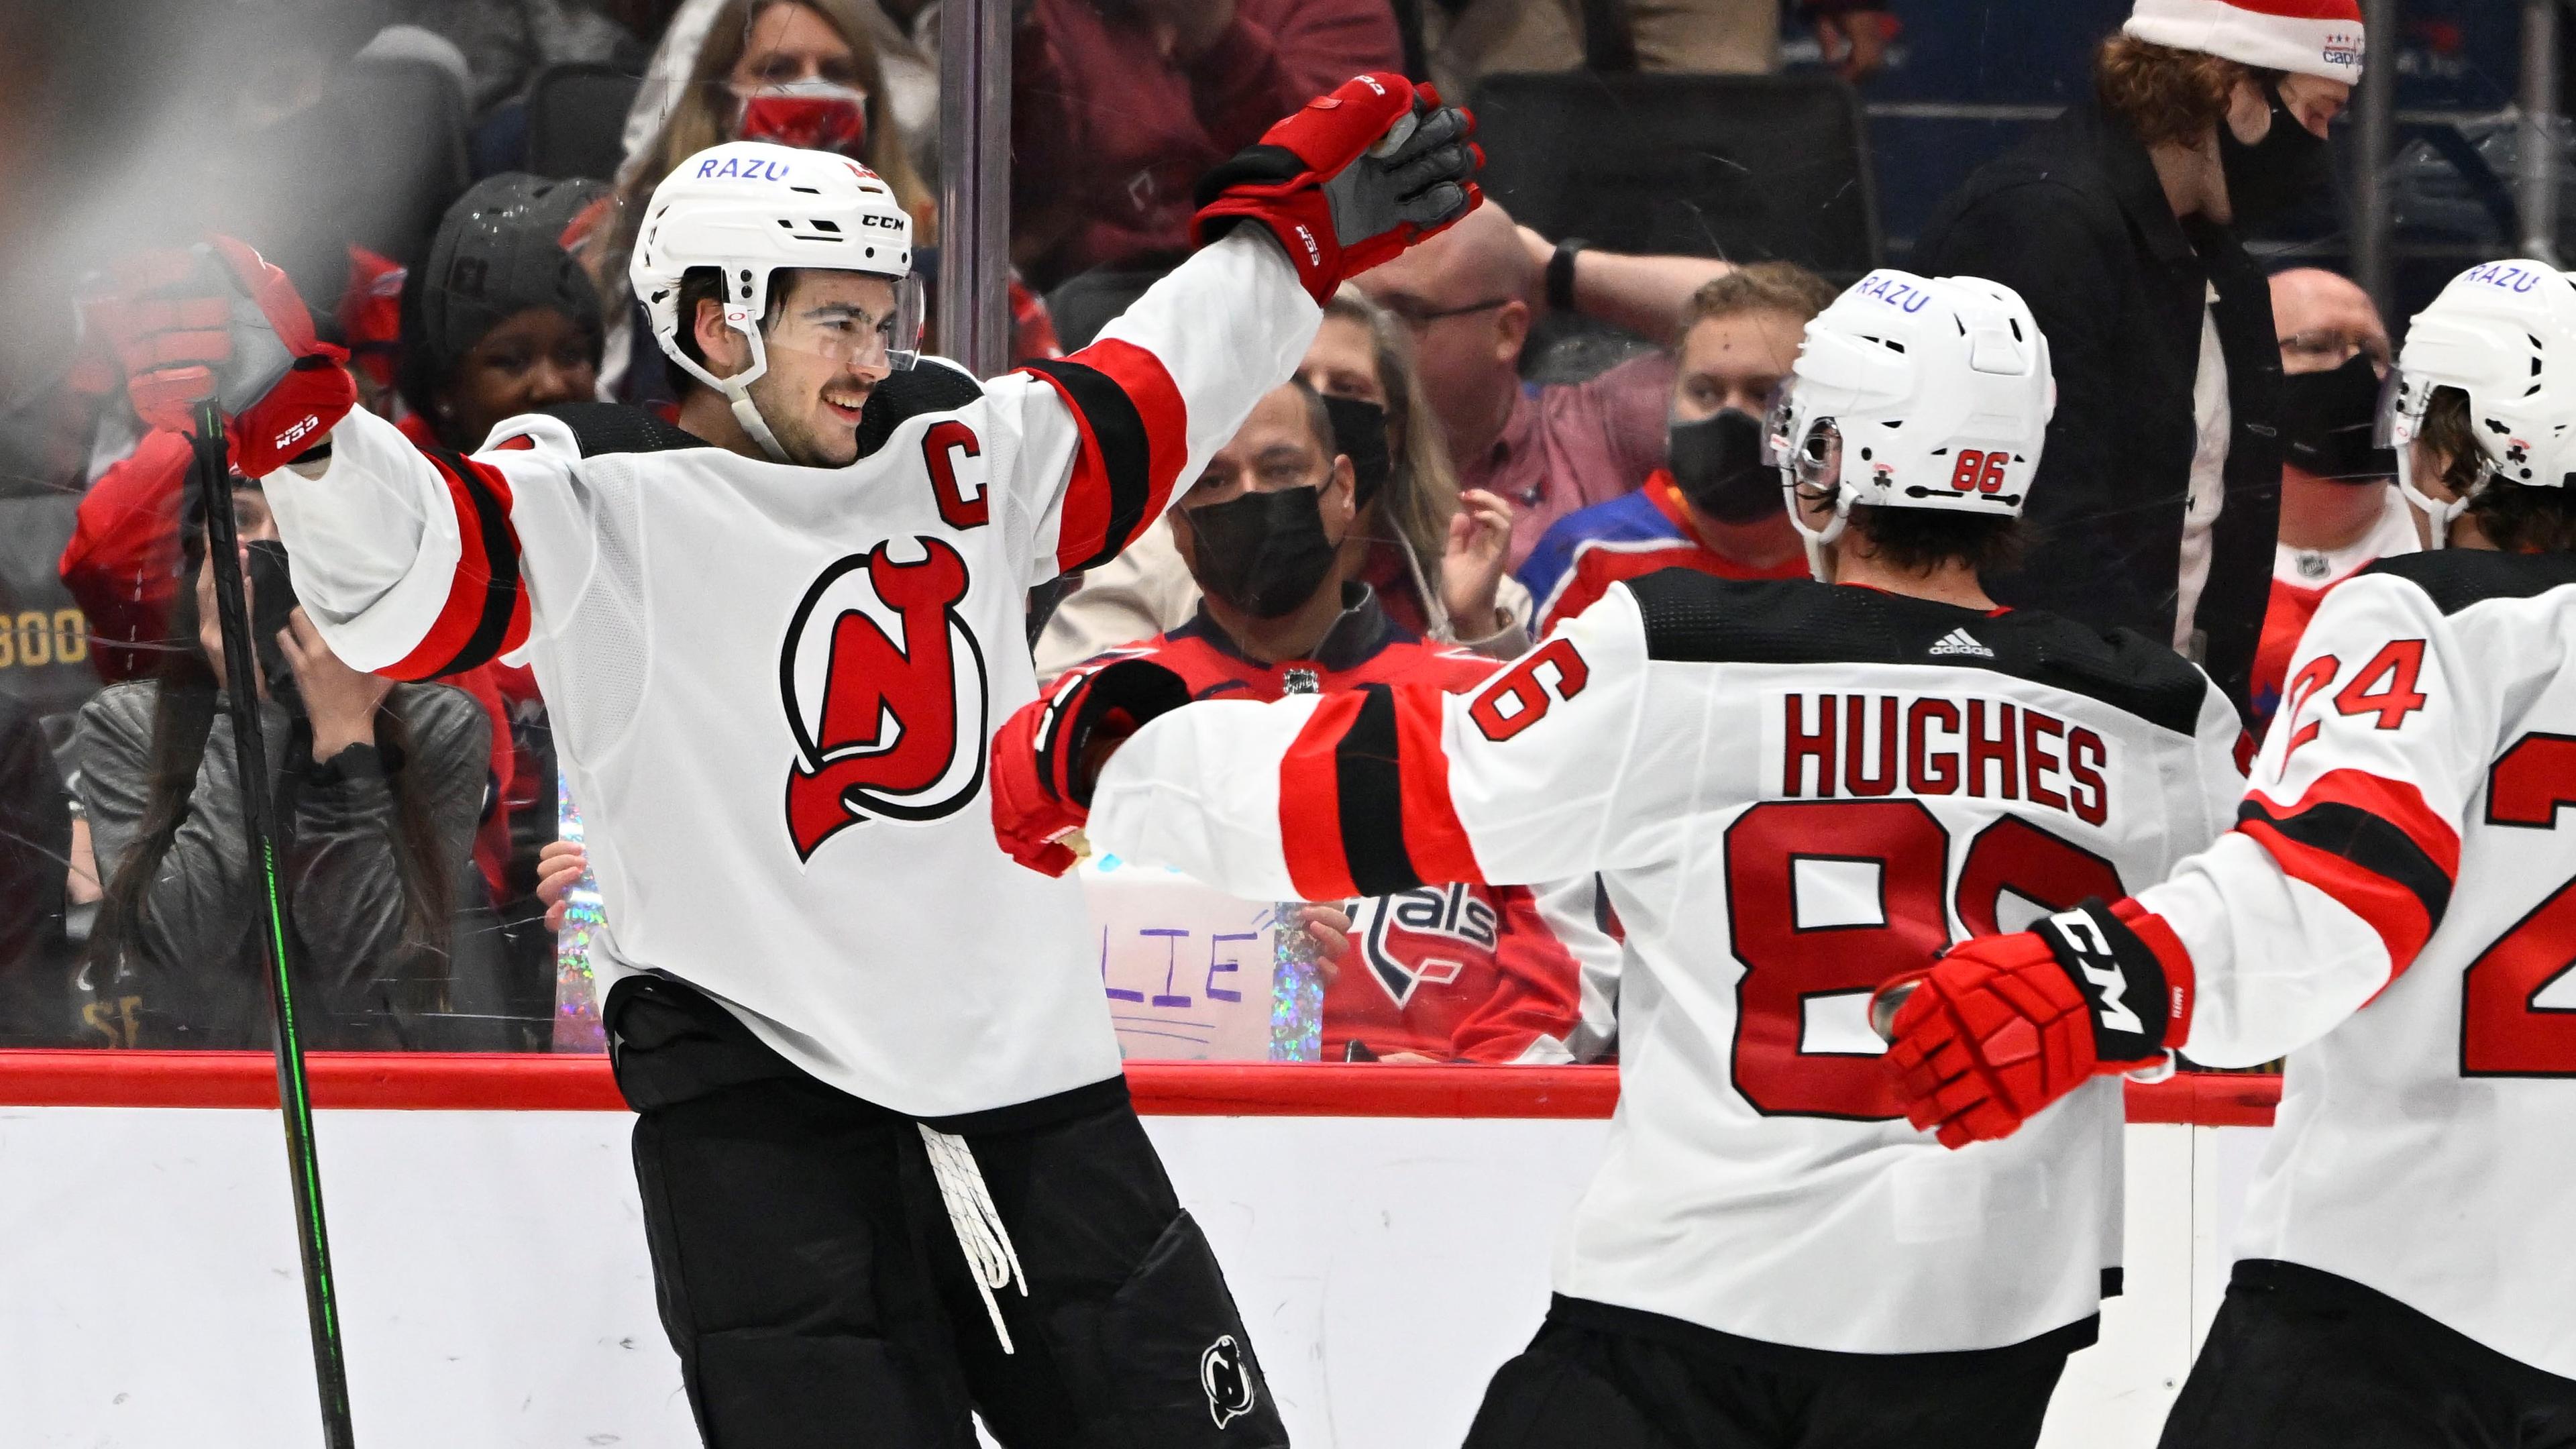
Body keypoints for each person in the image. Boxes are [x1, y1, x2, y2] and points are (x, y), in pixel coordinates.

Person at [94, 76, 1476, 1443]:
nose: (874, 353)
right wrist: (302, 423)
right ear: (712, 322)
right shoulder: (587, 489)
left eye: (888, 315)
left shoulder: (960, 451)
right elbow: (408, 584)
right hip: (768, 1142)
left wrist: (1281, 249)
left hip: (1040, 1106)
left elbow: (1149, 390)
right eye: (835, 320)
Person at [991, 270, 2248, 1448]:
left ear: (1818, 463)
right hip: (1988, 1317)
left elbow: (1392, 795)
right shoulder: (2165, 718)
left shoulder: (1685, 648)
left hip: (1697, 1304)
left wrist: (1115, 760)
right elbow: (2251, 964)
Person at [1879, 258, 2576, 1446]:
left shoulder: (2428, 614)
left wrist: (2097, 977)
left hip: (2394, 1307)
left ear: (2449, 457)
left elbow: (2341, 885)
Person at [1061, 378, 1609, 1063]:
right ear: (1175, 519)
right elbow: (1036, 942)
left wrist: (1473, 1083)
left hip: (1456, 1139)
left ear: (1344, 487)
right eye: (1214, 481)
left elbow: (1574, 954)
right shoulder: (1095, 709)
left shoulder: (1486, 702)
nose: (1252, 498)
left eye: (1282, 470)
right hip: (1176, 1124)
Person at [1915, 0, 2367, 723]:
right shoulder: (2039, 229)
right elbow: (2040, 531)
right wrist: (2154, 709)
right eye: (2316, 115)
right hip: (2045, 722)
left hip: (2163, 717)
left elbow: (2216, 532)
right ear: (2229, 87)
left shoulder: (2224, 268)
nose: (2319, 151)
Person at [74, 482, 502, 1050]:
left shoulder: (437, 726)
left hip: (378, 1094)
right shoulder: (129, 724)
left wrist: (347, 742)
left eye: (305, 519)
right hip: (196, 1091)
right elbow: (183, 960)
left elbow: (369, 984)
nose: (272, 547)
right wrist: (244, 711)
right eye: (240, 520)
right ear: (200, 553)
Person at [1034, 284, 1529, 676]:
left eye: (1347, 388)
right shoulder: (1151, 563)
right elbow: (1070, 727)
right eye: (1294, 380)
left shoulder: (1484, 595)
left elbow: (1520, 765)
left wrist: (1478, 628)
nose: (1320, 409)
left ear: (1394, 431)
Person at [1352, 199, 1733, 566]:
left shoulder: (1596, 429)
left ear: (1505, 332)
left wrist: (1558, 270)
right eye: (1355, 310)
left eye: (1403, 315)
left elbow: (1775, 337)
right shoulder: (1324, 435)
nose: (1367, 340)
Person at [606, 0, 934, 399]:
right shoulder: (643, 240)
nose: (812, 88)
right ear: (724, 101)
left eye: (837, 72)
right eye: (778, 70)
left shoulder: (932, 236)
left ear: (873, 98)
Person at [1517, 261, 1833, 635]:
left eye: (1762, 394)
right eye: (1705, 392)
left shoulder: (1872, 555)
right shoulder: (1589, 555)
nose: (1729, 414)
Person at [1010, 0, 1404, 286]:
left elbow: (1333, 181)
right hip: (1085, 302)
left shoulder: (1340, 11)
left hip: (1282, 292)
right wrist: (1018, 34)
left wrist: (1216, 37)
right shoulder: (1053, 15)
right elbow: (1023, 205)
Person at [2247, 266, 2416, 731]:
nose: (2361, 370)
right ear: (2247, 370)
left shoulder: (2446, 546)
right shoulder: (2190, 563)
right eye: (2317, 346)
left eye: (2377, 353)